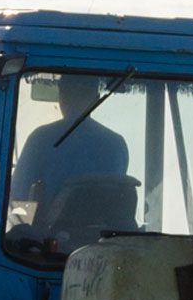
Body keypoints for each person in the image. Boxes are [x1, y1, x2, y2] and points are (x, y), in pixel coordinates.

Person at [8, 75, 130, 220]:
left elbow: (19, 195)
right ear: (96, 100)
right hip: (105, 237)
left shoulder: (41, 138)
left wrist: (24, 231)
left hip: (52, 237)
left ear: (61, 97)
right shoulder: (116, 143)